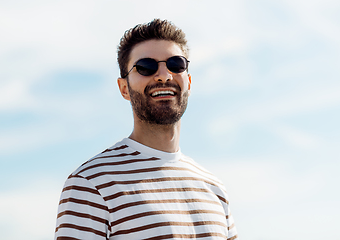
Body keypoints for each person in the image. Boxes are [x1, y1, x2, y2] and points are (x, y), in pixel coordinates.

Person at [54, 19, 238, 240]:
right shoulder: (91, 184)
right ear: (124, 88)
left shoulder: (215, 190)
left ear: (188, 81)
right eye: (146, 67)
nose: (163, 75)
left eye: (175, 64)